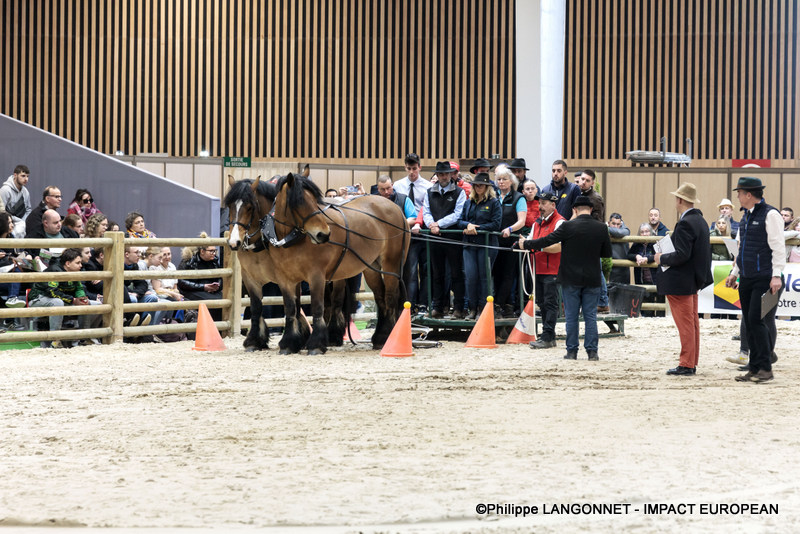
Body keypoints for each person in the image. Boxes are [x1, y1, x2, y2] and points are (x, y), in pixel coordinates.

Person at [518, 196, 612, 360]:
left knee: (571, 316)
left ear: (575, 209)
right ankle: (592, 352)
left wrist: (527, 244)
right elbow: (606, 254)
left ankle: (572, 351)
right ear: (590, 209)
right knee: (590, 316)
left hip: (570, 277)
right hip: (592, 277)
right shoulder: (601, 228)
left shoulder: (568, 226)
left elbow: (547, 240)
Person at [724, 177, 785, 384]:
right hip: (748, 277)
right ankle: (755, 367)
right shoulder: (746, 217)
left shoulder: (771, 214)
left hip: (765, 277)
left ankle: (765, 368)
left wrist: (776, 275)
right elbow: (741, 249)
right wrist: (735, 272)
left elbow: (778, 247)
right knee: (750, 322)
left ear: (749, 194)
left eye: (739, 193)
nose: (738, 197)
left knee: (757, 321)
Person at [652, 183, 713, 376]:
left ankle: (686, 363)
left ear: (679, 200)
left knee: (686, 324)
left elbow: (682, 255)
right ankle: (691, 361)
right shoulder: (701, 221)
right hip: (692, 280)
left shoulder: (686, 223)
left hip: (680, 281)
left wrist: (661, 258)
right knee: (692, 323)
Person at [28, 247, 102, 348]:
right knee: (57, 302)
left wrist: (82, 298)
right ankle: (55, 340)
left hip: (63, 300)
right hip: (39, 299)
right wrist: (73, 300)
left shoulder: (75, 272)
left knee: (97, 305)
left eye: (80, 263)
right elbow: (52, 292)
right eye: (78, 263)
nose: (81, 265)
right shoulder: (54, 271)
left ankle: (85, 338)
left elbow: (79, 288)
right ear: (68, 263)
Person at [422, 161, 467, 319]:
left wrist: (438, 224)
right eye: (441, 174)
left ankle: (459, 308)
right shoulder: (429, 192)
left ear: (451, 174)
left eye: (446, 174)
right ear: (437, 175)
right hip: (435, 237)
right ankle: (438, 307)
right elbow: (426, 212)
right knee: (437, 274)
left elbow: (458, 214)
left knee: (456, 273)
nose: (444, 177)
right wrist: (431, 225)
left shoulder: (459, 192)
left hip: (453, 237)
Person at [456, 172, 501, 320]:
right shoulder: (468, 202)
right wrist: (467, 225)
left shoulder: (494, 202)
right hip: (469, 244)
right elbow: (460, 221)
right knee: (470, 277)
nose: (478, 187)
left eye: (481, 185)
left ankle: (483, 308)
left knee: (484, 277)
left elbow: (496, 224)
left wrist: (477, 228)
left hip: (487, 245)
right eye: (476, 185)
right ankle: (472, 308)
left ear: (487, 187)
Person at [525, 191, 565, 349]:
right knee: (542, 303)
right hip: (537, 268)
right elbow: (530, 240)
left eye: (543, 203)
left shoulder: (560, 222)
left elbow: (559, 247)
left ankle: (547, 336)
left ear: (553, 205)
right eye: (539, 203)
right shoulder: (536, 223)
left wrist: (537, 246)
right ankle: (549, 336)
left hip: (552, 269)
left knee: (550, 303)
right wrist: (524, 243)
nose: (540, 206)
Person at [394, 153, 433, 311]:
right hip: (407, 231)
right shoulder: (398, 185)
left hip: (424, 231)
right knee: (409, 270)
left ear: (420, 167)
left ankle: (423, 304)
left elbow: (428, 209)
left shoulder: (428, 186)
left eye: (414, 168)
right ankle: (409, 305)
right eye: (409, 168)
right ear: (405, 167)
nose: (412, 172)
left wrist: (420, 223)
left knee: (426, 270)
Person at [492, 164, 527, 318]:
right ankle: (503, 305)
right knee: (496, 273)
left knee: (508, 274)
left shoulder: (519, 198)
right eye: (499, 179)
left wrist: (510, 229)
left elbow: (522, 221)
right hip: (495, 241)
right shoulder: (494, 196)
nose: (501, 182)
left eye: (504, 179)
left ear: (511, 181)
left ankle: (499, 304)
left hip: (511, 241)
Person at [178, 235, 223, 321]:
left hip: (210, 291)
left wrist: (217, 286)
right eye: (211, 251)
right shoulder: (188, 260)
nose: (214, 253)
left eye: (215, 251)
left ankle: (221, 327)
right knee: (213, 302)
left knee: (225, 300)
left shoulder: (214, 260)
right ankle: (211, 326)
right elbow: (181, 282)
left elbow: (220, 278)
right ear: (202, 251)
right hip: (192, 291)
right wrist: (203, 287)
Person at [123, 245, 162, 327]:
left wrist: (136, 293)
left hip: (131, 294)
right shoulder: (118, 265)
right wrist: (130, 293)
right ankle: (130, 324)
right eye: (136, 252)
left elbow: (142, 284)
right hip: (122, 296)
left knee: (152, 298)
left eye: (139, 252)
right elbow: (120, 285)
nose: (139, 255)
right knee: (132, 299)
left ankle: (147, 330)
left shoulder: (134, 265)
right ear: (127, 254)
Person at [0, 212, 27, 312]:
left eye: (12, 222)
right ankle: (12, 298)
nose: (12, 225)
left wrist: (26, 255)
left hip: (9, 274)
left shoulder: (11, 237)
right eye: (9, 223)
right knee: (16, 272)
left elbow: (18, 253)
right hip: (4, 275)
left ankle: (10, 315)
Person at [0, 165, 32, 237]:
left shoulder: (25, 192)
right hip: (6, 224)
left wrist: (23, 222)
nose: (26, 179)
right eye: (23, 176)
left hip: (22, 224)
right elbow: (2, 212)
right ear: (15, 175)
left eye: (27, 176)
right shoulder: (5, 190)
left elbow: (28, 210)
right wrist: (17, 221)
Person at [608, 213, 631, 284]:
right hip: (610, 270)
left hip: (623, 270)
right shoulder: (605, 231)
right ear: (609, 223)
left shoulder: (625, 231)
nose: (615, 227)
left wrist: (606, 228)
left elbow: (619, 232)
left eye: (618, 224)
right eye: (613, 224)